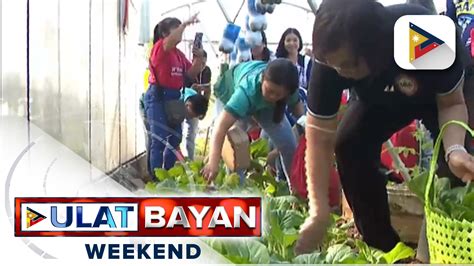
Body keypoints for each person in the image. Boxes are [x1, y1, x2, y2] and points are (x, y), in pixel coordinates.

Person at [295, 0, 474, 256]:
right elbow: (319, 137)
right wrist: (318, 210)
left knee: (456, 166)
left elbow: (451, 104)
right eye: (335, 66)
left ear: (376, 46)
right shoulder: (332, 58)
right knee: (349, 144)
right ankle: (387, 249)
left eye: (349, 65)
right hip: (382, 97)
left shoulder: (425, 35)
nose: (341, 73)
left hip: (442, 94)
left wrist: (455, 149)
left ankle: (434, 252)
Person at [202, 59, 305, 182]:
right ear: (262, 79)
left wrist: (305, 132)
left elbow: (300, 113)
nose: (272, 97)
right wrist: (213, 162)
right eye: (270, 90)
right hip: (230, 94)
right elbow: (220, 126)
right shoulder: (246, 91)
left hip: (266, 108)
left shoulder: (289, 87)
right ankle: (237, 191)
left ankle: (296, 191)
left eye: (278, 95)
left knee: (289, 145)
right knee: (237, 146)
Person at [145, 14, 205, 175]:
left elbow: (191, 74)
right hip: (157, 97)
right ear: (165, 34)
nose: (181, 32)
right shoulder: (160, 48)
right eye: (177, 29)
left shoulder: (178, 54)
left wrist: (198, 58)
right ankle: (156, 178)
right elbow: (174, 39)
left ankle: (168, 173)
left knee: (175, 137)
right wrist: (185, 23)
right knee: (159, 139)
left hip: (174, 98)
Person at [182, 50, 212, 160]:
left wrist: (207, 92)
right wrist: (191, 90)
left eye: (204, 63)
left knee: (191, 135)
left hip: (196, 105)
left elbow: (206, 92)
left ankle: (190, 161)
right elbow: (181, 89)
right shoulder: (187, 69)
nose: (202, 66)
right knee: (176, 134)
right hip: (183, 102)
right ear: (194, 60)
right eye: (200, 63)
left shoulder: (207, 71)